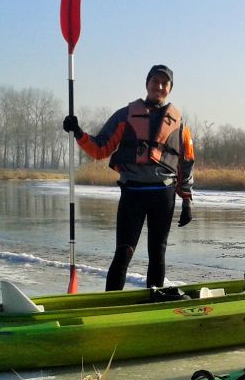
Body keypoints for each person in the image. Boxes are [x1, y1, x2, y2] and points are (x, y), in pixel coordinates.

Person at [63, 64, 195, 291]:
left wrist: (187, 201)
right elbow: (100, 149)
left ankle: (154, 301)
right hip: (132, 193)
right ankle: (110, 306)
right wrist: (78, 133)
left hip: (162, 195)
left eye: (165, 83)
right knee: (123, 253)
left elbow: (186, 163)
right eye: (155, 81)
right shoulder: (125, 115)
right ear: (147, 83)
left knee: (158, 253)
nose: (159, 87)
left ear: (170, 89)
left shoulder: (180, 124)